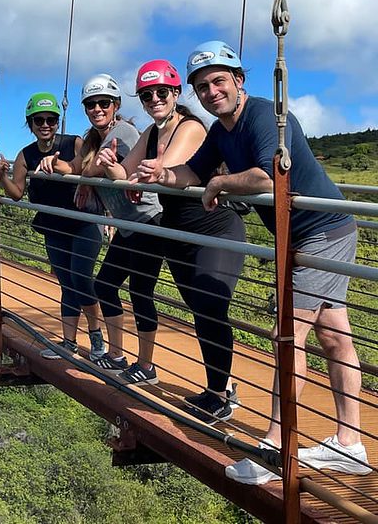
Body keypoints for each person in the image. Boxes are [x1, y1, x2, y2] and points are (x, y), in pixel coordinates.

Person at [137, 41, 370, 484]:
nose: (210, 92)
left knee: (288, 337)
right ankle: (350, 443)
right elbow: (194, 172)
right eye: (202, 87)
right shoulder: (222, 131)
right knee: (335, 338)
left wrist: (221, 181)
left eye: (219, 81)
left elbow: (268, 173)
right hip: (310, 236)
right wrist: (162, 175)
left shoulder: (263, 115)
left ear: (238, 81)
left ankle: (274, 452)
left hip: (322, 233)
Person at [94, 59, 245, 418]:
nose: (154, 100)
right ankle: (218, 390)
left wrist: (141, 175)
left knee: (210, 307)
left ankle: (219, 395)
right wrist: (107, 162)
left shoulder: (190, 127)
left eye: (161, 92)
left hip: (214, 228)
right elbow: (127, 174)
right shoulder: (150, 133)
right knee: (200, 310)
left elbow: (168, 173)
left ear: (176, 93)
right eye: (147, 96)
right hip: (176, 232)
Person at [64, 73, 164, 378]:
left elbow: (99, 169)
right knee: (105, 285)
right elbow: (86, 168)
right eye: (91, 104)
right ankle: (117, 355)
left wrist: (89, 176)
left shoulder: (124, 132)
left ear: (116, 104)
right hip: (127, 226)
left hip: (148, 222)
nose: (97, 109)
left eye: (103, 103)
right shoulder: (95, 138)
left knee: (140, 292)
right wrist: (87, 177)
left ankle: (146, 366)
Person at [0, 92, 106, 362]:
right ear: (30, 123)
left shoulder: (74, 143)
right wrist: (0, 175)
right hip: (53, 228)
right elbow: (16, 192)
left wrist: (60, 165)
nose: (45, 124)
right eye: (39, 120)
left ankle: (96, 337)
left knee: (81, 279)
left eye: (51, 119)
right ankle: (69, 342)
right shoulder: (26, 155)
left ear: (58, 122)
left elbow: (85, 171)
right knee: (67, 283)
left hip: (83, 224)